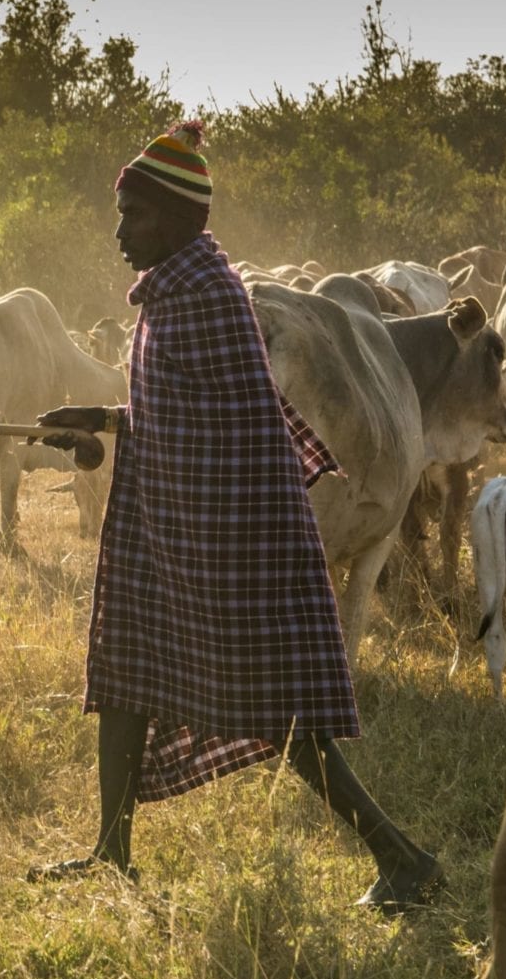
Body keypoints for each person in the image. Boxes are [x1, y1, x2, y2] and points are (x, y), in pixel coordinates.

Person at [30, 123, 441, 911]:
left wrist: (125, 431)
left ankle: (404, 858)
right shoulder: (172, 292)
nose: (119, 232)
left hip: (229, 539)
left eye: (134, 217)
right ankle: (111, 853)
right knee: (124, 673)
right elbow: (183, 407)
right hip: (168, 531)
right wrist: (106, 417)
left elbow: (240, 427)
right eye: (119, 215)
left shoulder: (208, 298)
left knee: (282, 716)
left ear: (182, 222)